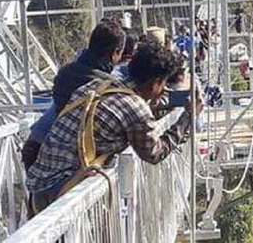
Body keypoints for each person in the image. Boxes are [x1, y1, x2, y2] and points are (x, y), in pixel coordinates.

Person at [26, 42, 197, 213]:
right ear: (154, 83)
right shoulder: (136, 108)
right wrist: (187, 118)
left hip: (38, 189)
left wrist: (164, 106)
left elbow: (131, 120)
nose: (164, 90)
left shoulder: (98, 86)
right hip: (64, 194)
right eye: (163, 84)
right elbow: (155, 153)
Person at [21, 19, 126, 171]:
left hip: (37, 146)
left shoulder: (66, 73)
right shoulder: (105, 85)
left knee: (40, 191)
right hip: (66, 158)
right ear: (115, 53)